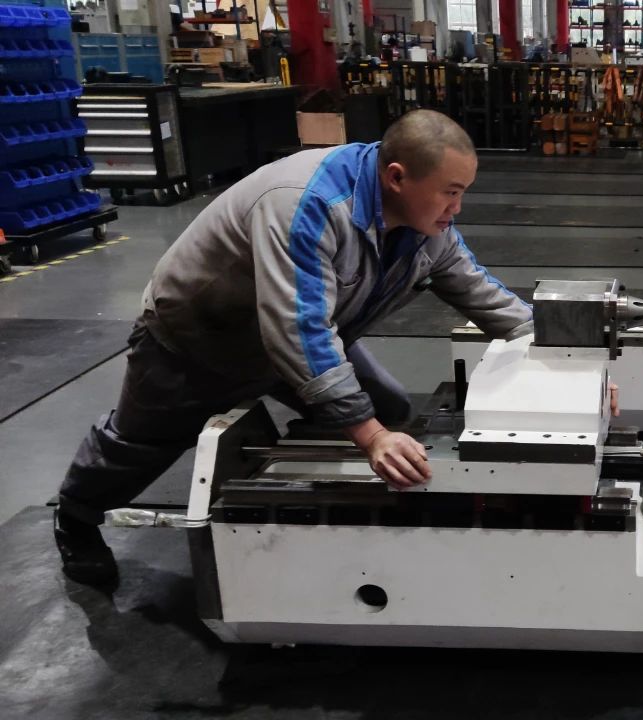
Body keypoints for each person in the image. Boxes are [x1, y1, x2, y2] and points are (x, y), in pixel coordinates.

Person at [53, 110, 614, 588]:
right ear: (397, 177)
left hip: (305, 336)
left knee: (390, 410)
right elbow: (299, 332)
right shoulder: (306, 205)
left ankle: (307, 511)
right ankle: (75, 518)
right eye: (451, 192)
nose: (457, 208)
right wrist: (367, 436)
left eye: (462, 192)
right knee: (140, 444)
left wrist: (574, 371)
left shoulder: (426, 228)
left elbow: (487, 298)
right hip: (199, 341)